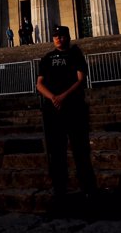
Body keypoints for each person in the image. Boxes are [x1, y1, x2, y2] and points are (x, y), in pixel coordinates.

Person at [36, 25, 97, 204]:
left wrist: (63, 96)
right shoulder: (47, 58)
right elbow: (39, 83)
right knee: (56, 152)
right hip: (53, 111)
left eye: (61, 36)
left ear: (67, 37)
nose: (58, 38)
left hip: (74, 108)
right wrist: (53, 97)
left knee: (80, 150)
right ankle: (59, 189)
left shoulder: (75, 54)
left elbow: (80, 78)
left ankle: (88, 189)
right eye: (55, 36)